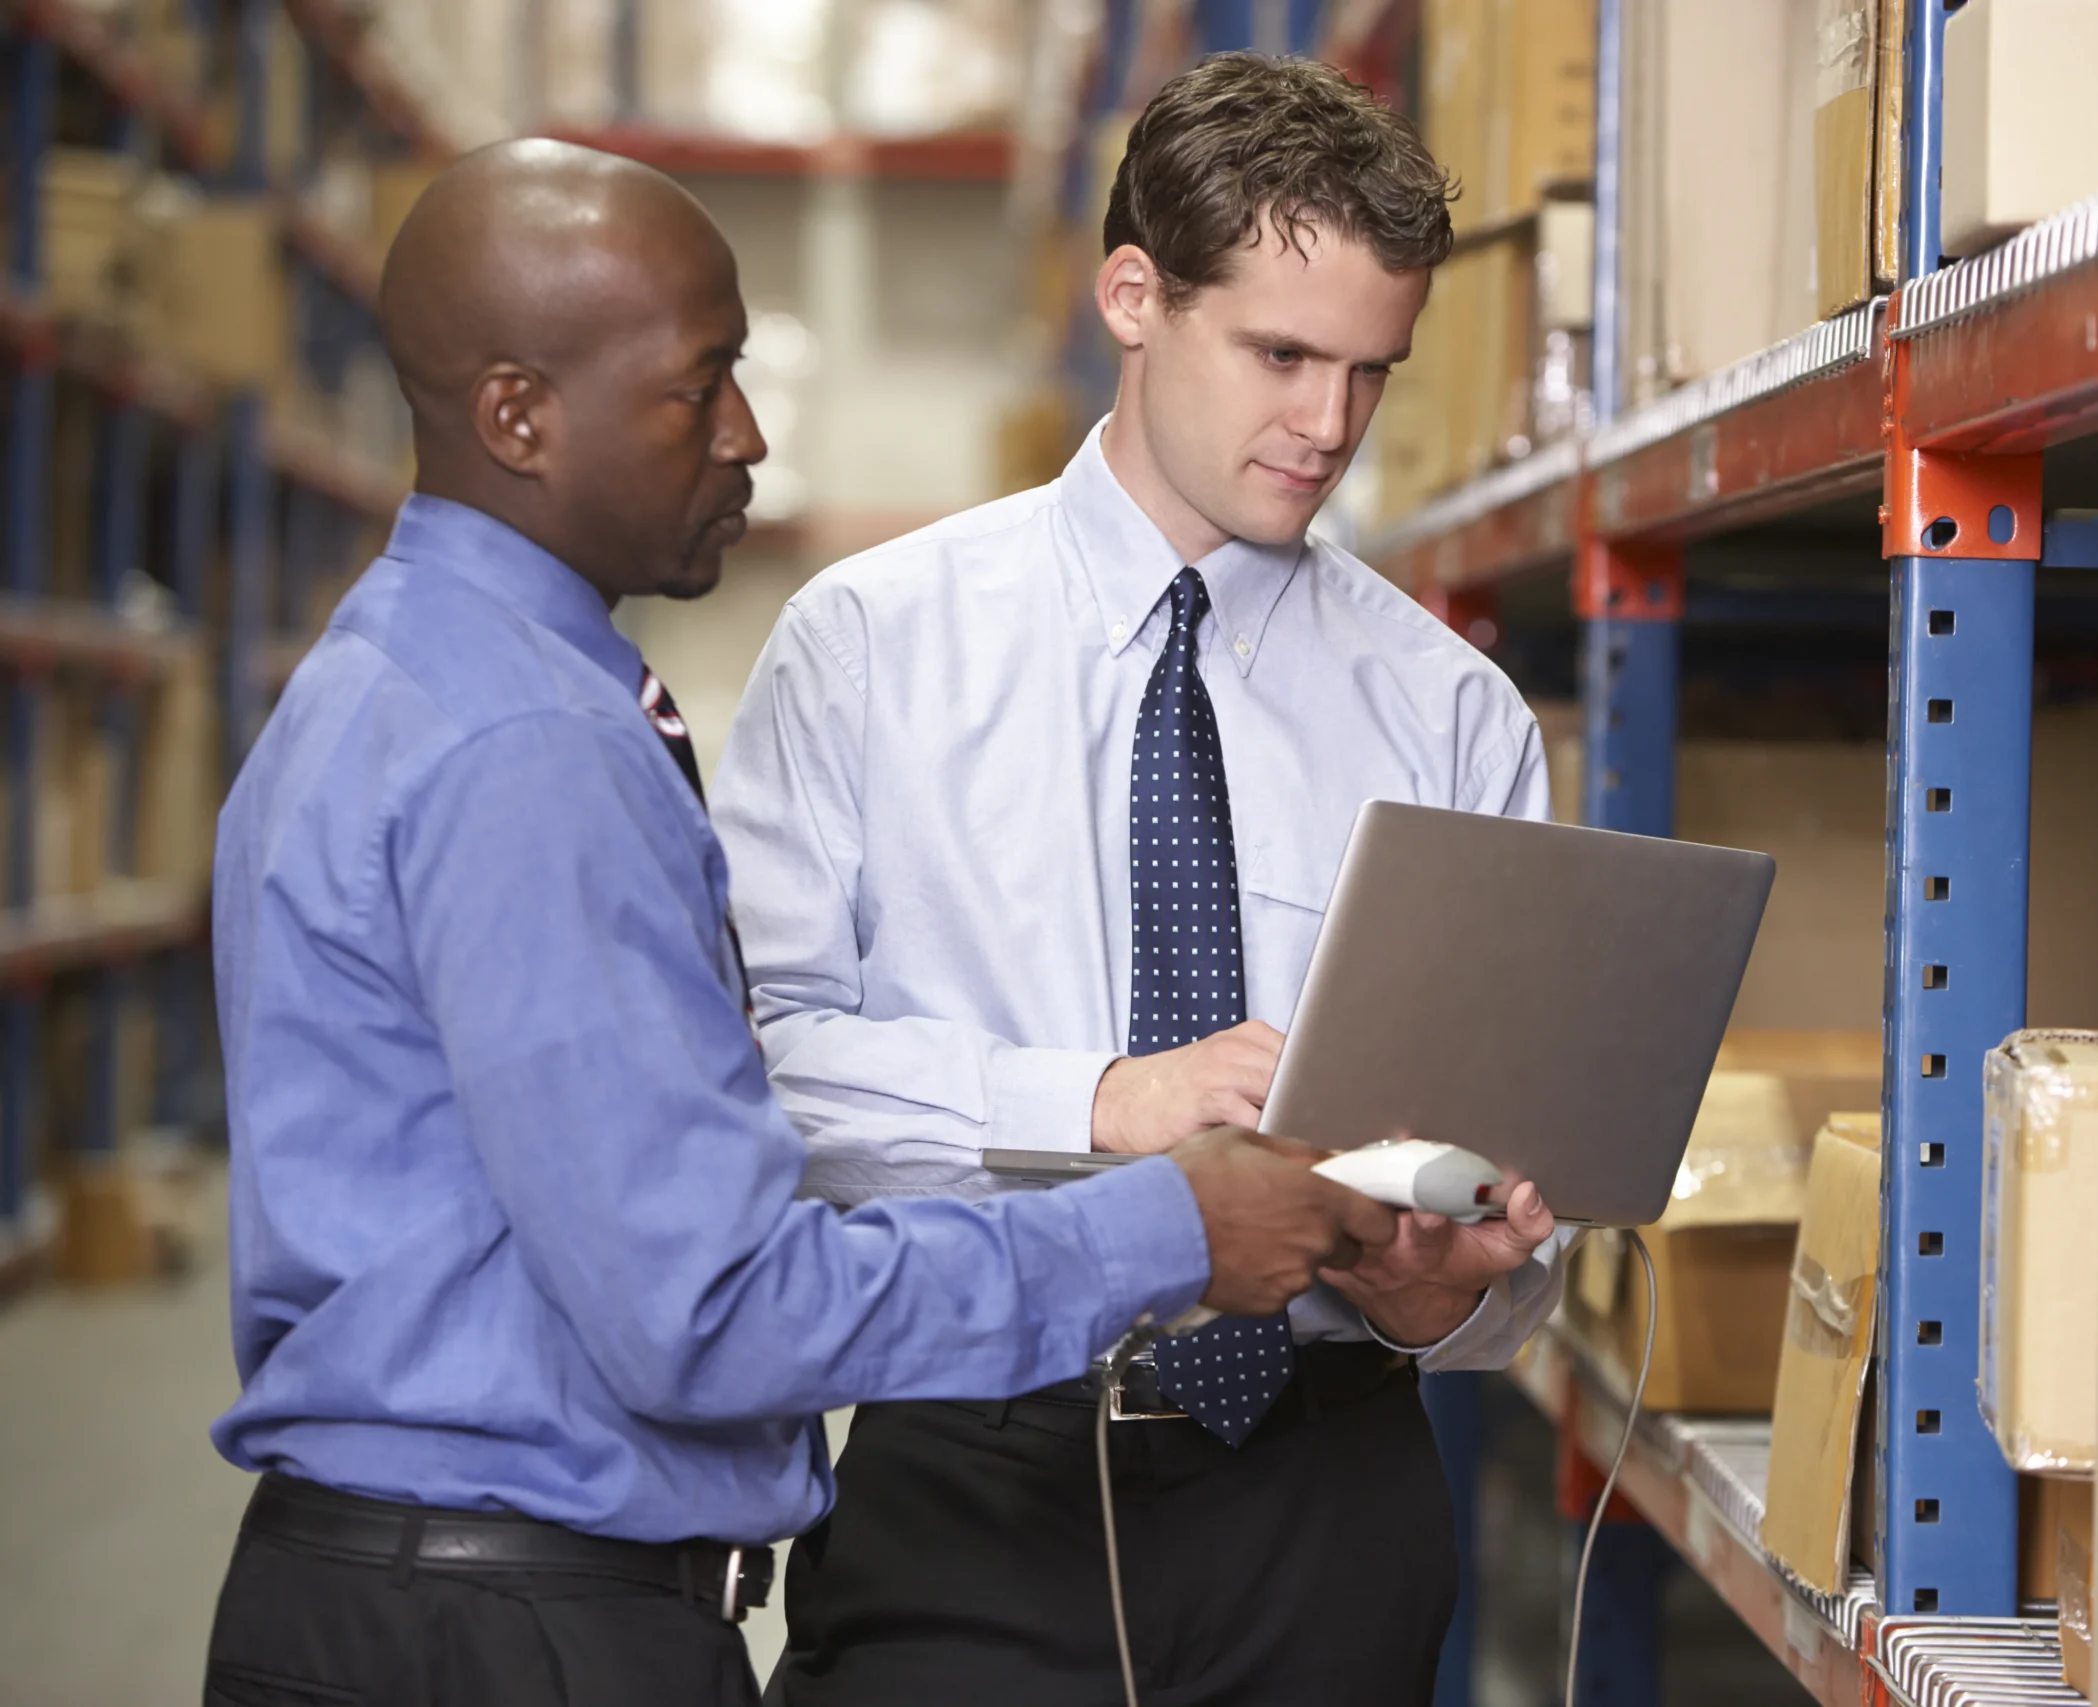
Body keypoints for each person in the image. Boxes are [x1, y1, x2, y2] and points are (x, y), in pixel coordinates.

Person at [201, 139, 1399, 1707]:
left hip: (433, 1601)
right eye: (700, 387)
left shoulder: (399, 678)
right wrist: (1173, 1220)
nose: (748, 435)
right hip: (504, 1633)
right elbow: (706, 1309)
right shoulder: (529, 750)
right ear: (517, 416)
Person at [714, 55, 1569, 1706]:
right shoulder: (875, 645)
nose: (1329, 425)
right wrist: (1098, 1100)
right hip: (975, 1465)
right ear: (1132, 296)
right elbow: (755, 1068)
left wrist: (1429, 1293)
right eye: (1281, 354)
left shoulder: (1450, 708)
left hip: (1325, 1500)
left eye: (1371, 372)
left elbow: (1498, 1206)